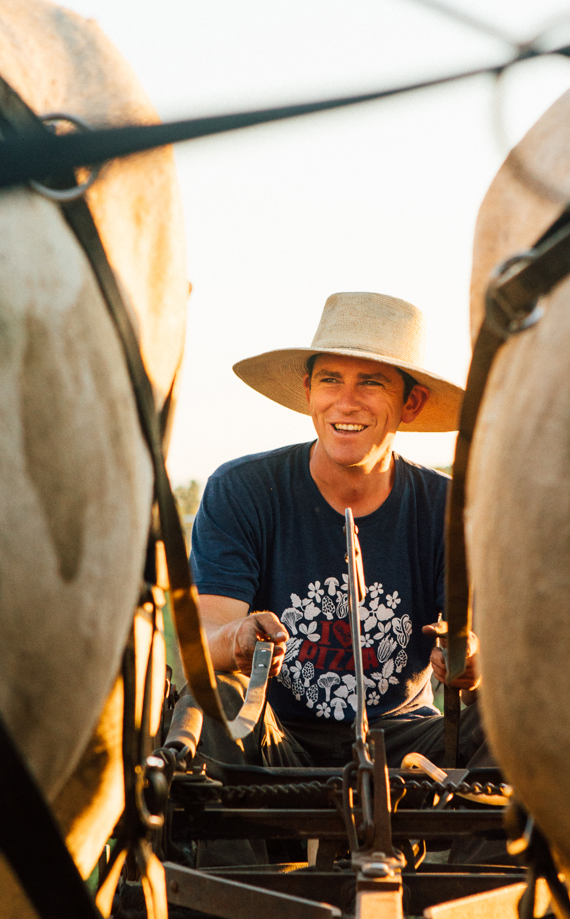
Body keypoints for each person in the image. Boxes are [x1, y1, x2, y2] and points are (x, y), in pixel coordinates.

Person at [180, 290, 490, 774]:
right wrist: (238, 636)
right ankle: (238, 851)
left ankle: (489, 854)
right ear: (308, 391)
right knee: (211, 697)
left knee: (509, 716)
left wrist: (469, 661)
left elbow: (477, 647)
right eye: (330, 380)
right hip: (274, 729)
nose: (347, 402)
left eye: (371, 383)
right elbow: (204, 633)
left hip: (406, 734)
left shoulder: (448, 507)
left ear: (411, 402)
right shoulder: (243, 489)